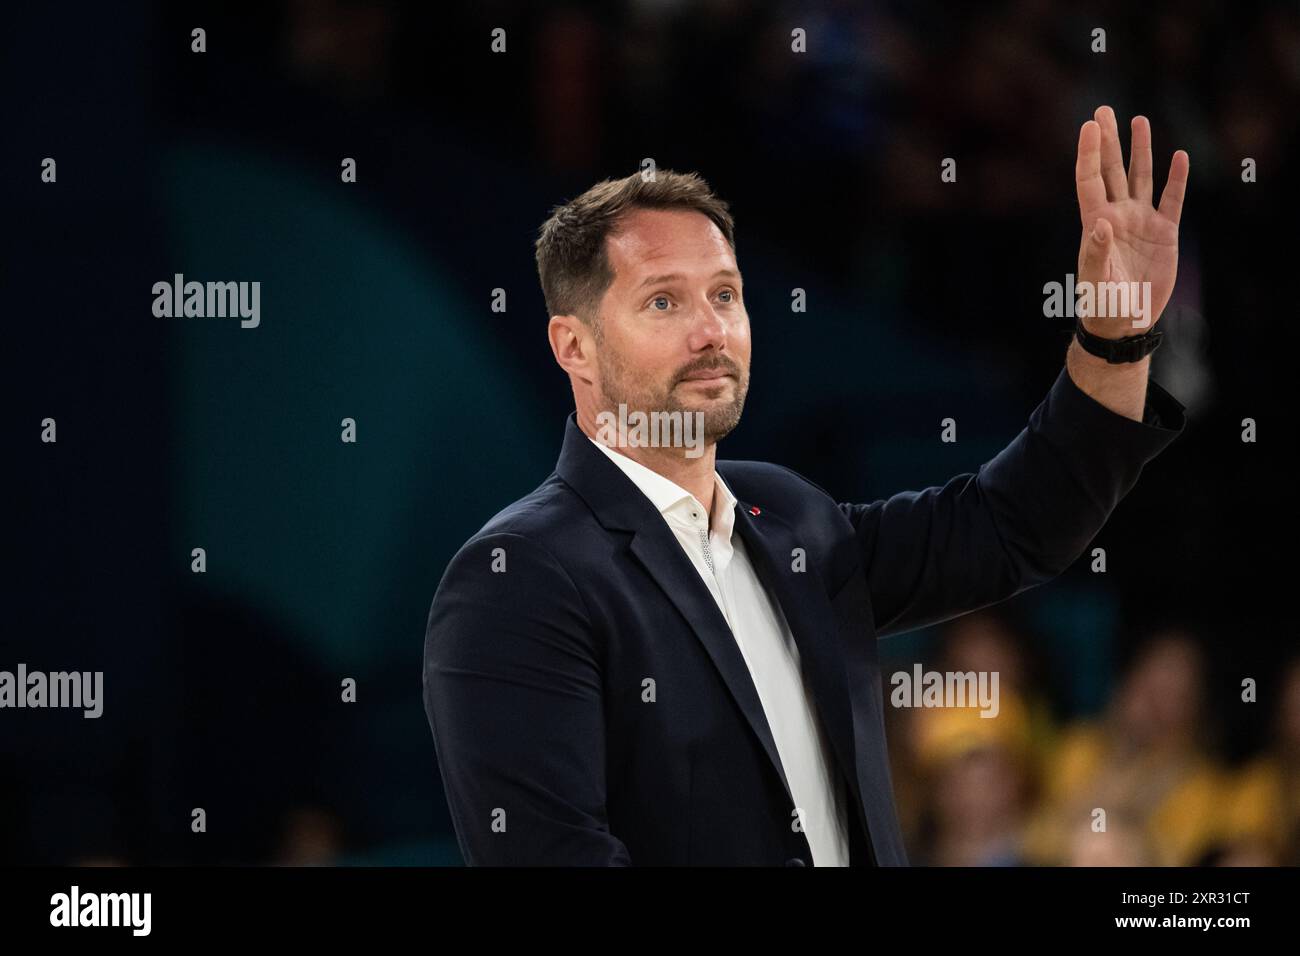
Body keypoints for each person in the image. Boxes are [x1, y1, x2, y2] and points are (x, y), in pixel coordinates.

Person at [423, 106, 1189, 865]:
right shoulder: (518, 578)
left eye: (724, 294)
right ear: (574, 347)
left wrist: (1114, 342)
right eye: (664, 301)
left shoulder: (793, 519)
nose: (711, 331)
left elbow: (1011, 526)